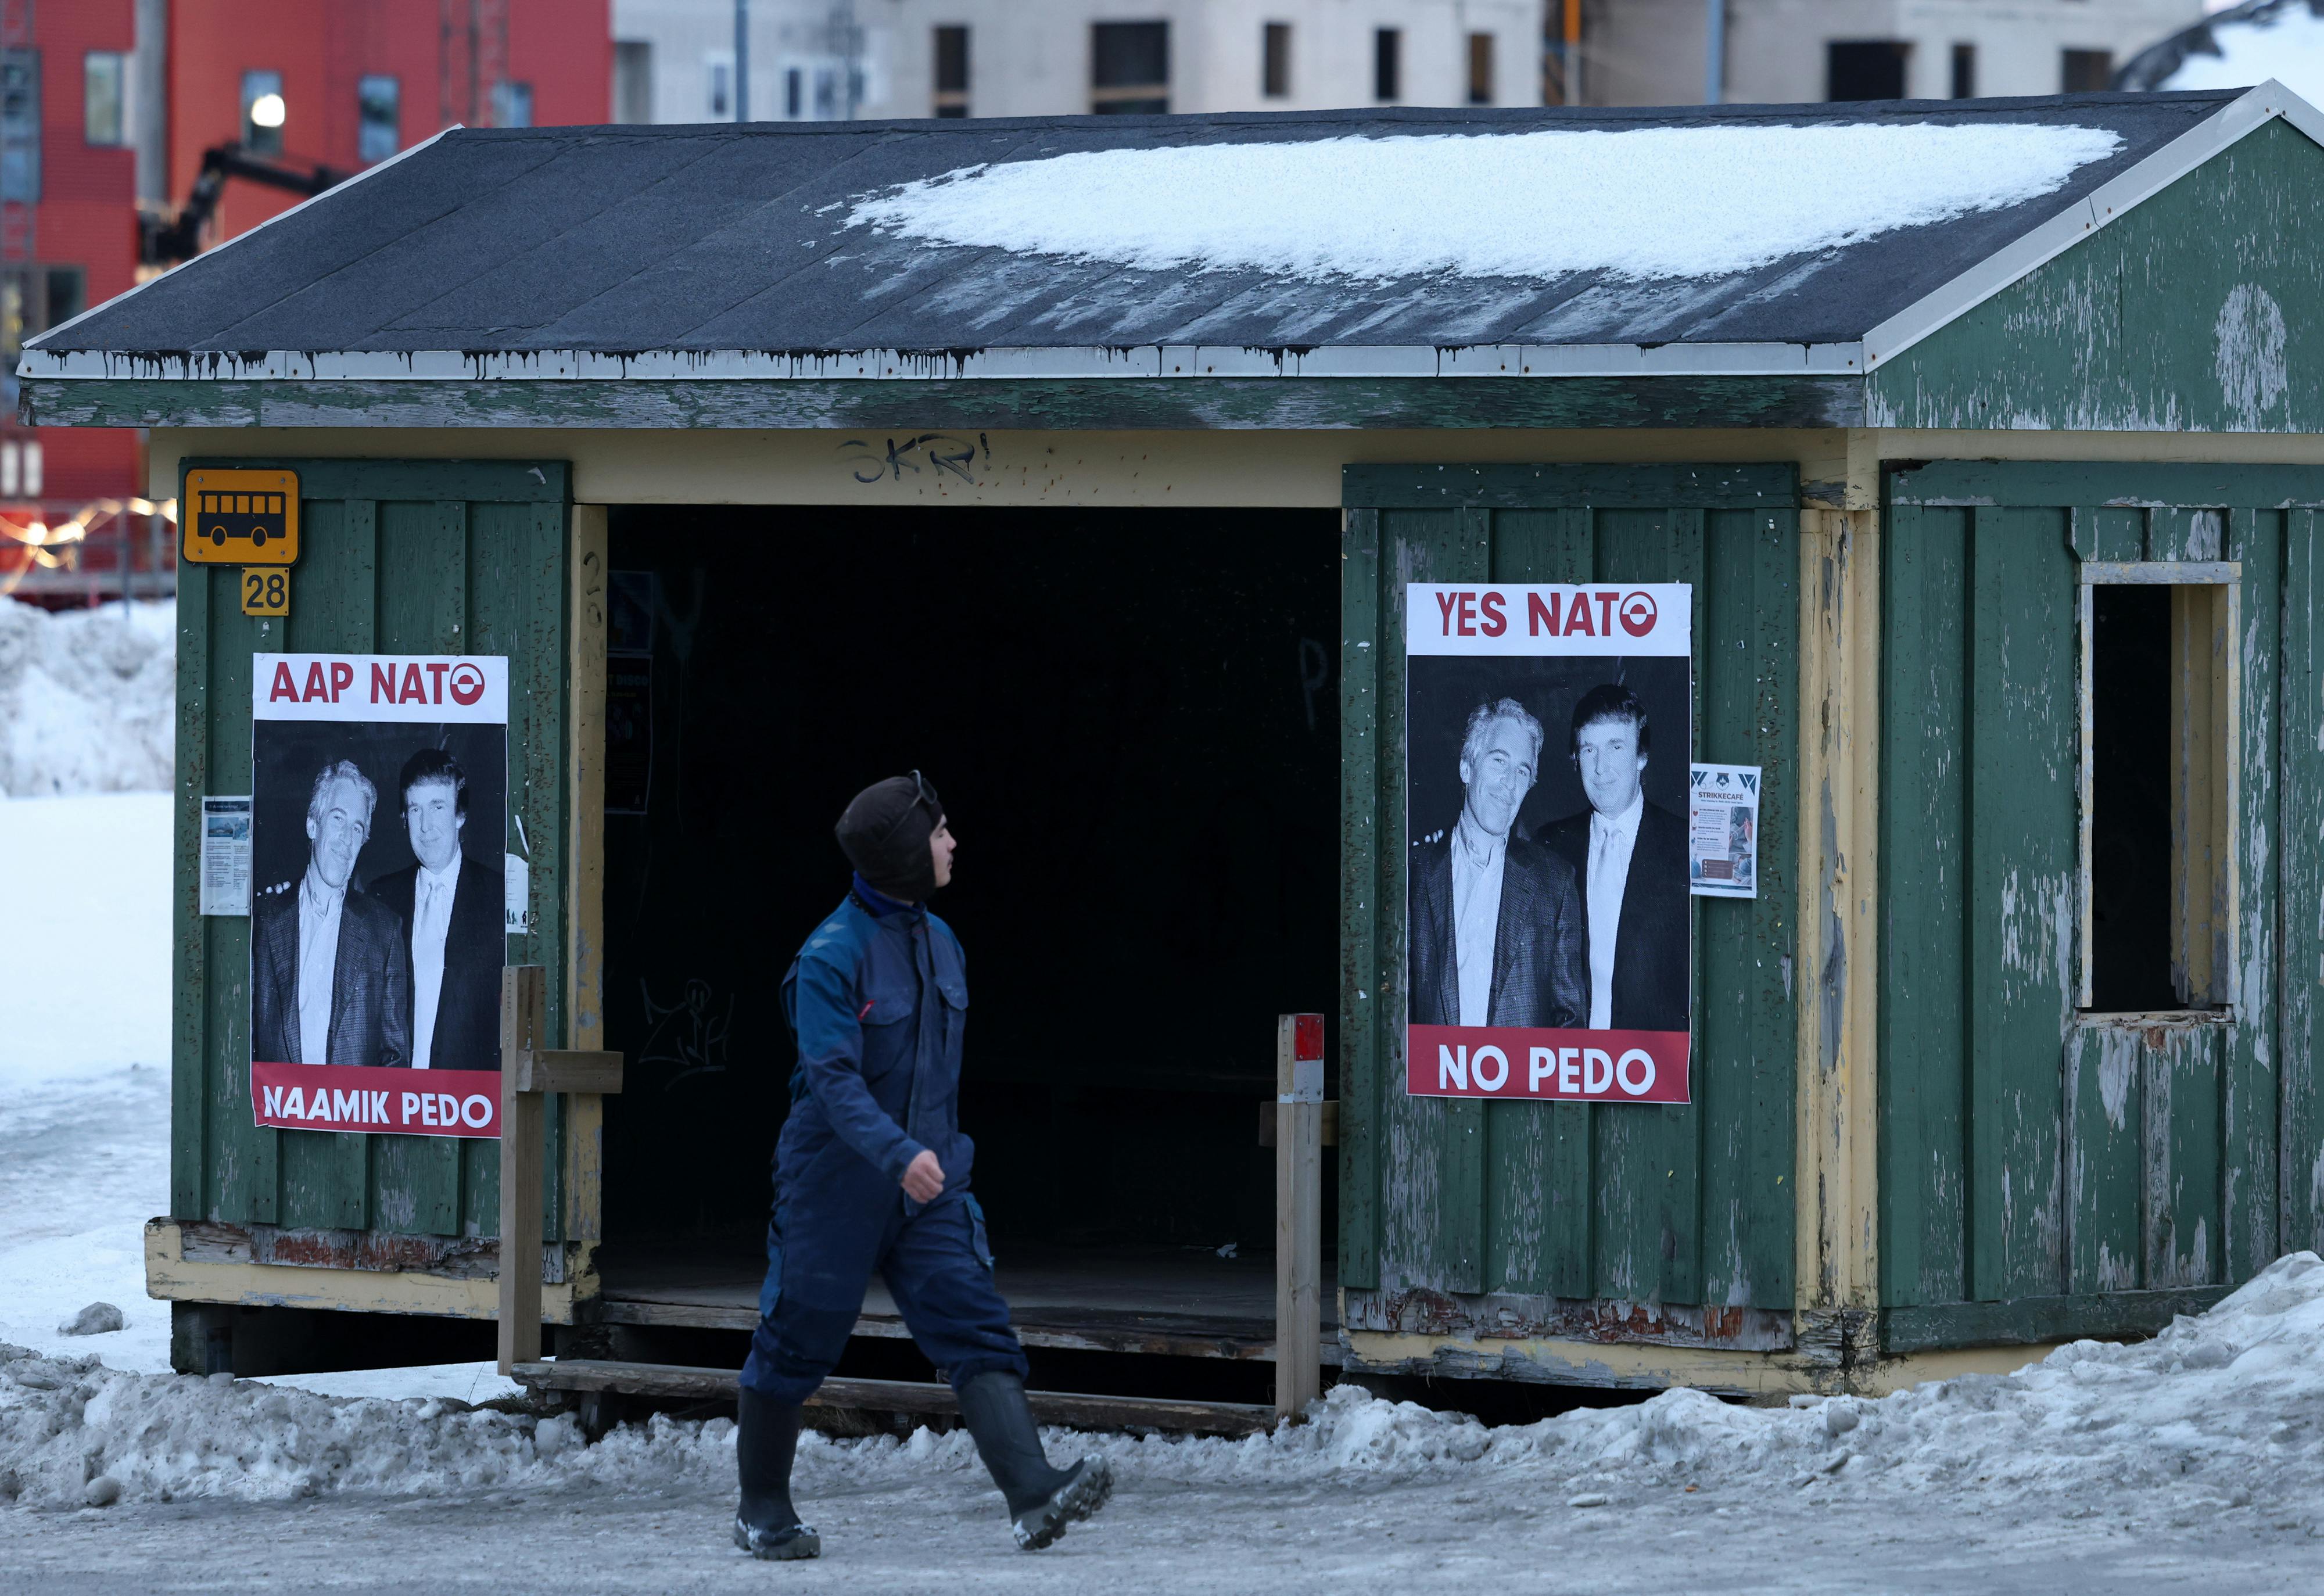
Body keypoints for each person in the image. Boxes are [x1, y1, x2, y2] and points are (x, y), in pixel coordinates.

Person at [731, 772, 1113, 1561]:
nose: (952, 842)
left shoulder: (942, 941)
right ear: (906, 851)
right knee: (798, 1336)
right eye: (938, 832)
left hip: (930, 1179)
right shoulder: (831, 956)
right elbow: (832, 1081)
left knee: (971, 1320)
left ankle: (1033, 1491)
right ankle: (761, 1506)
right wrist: (897, 1152)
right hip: (837, 1180)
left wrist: (926, 1157)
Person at [1409, 699, 1586, 1030]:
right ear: (1466, 767)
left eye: (1523, 771)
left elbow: (1571, 1022)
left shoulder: (1556, 883)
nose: (1509, 782)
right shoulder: (1415, 875)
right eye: (1499, 761)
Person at [1537, 684, 1689, 1033]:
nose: (1601, 768)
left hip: (1656, 1071)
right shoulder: (1549, 846)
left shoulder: (1685, 845)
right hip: (1567, 1069)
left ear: (1642, 756)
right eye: (1589, 749)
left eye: (1616, 747)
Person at [252, 759, 411, 1068]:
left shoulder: (385, 930)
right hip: (280, 1115)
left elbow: (395, 1058)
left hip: (352, 1116)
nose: (346, 840)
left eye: (357, 828)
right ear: (313, 824)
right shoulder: (263, 921)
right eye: (338, 820)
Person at [371, 749, 503, 1071]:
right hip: (394, 1104)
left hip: (468, 1106)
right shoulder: (379, 898)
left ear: (460, 815)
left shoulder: (498, 897)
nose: (426, 826)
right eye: (415, 809)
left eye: (437, 807)